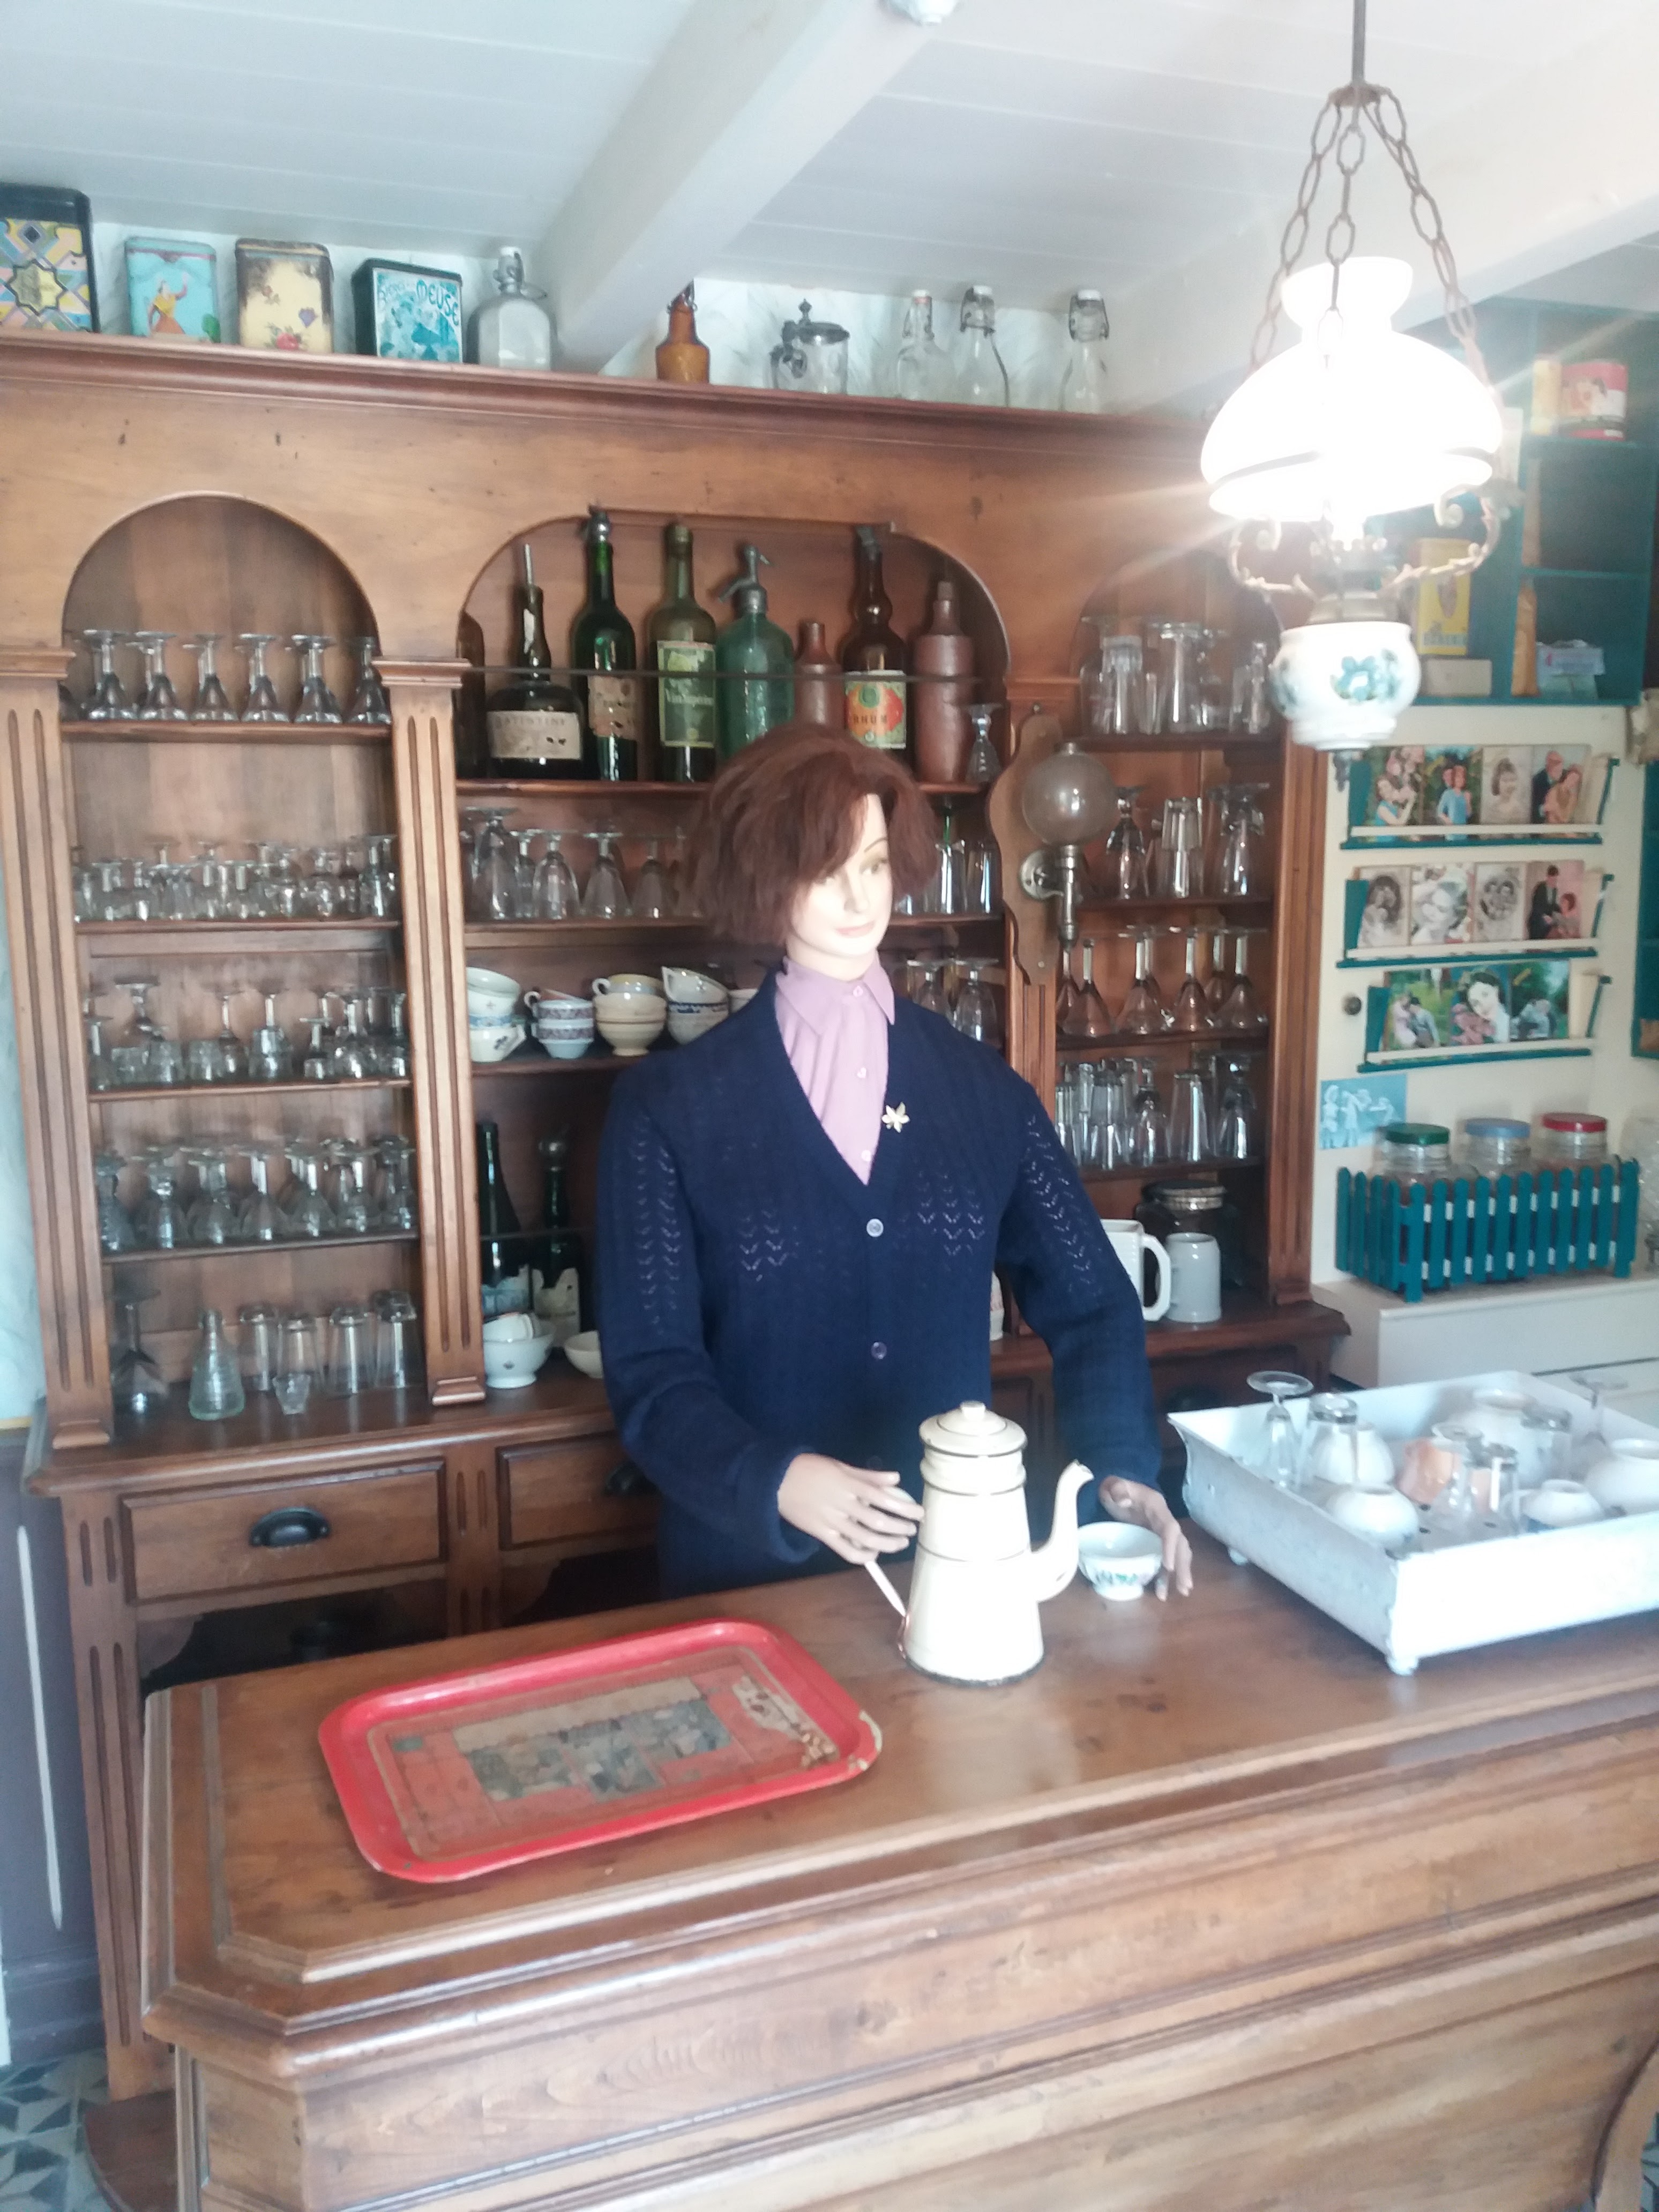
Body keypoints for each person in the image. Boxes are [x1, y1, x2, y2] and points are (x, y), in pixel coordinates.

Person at [596, 722, 1191, 1603]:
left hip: (951, 1571)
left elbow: (1095, 1303)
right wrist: (775, 1478)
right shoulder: (669, 1107)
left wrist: (1119, 1464)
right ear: (764, 876)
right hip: (749, 1581)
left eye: (873, 865)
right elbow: (652, 1375)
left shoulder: (981, 1092)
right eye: (824, 868)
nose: (856, 896)